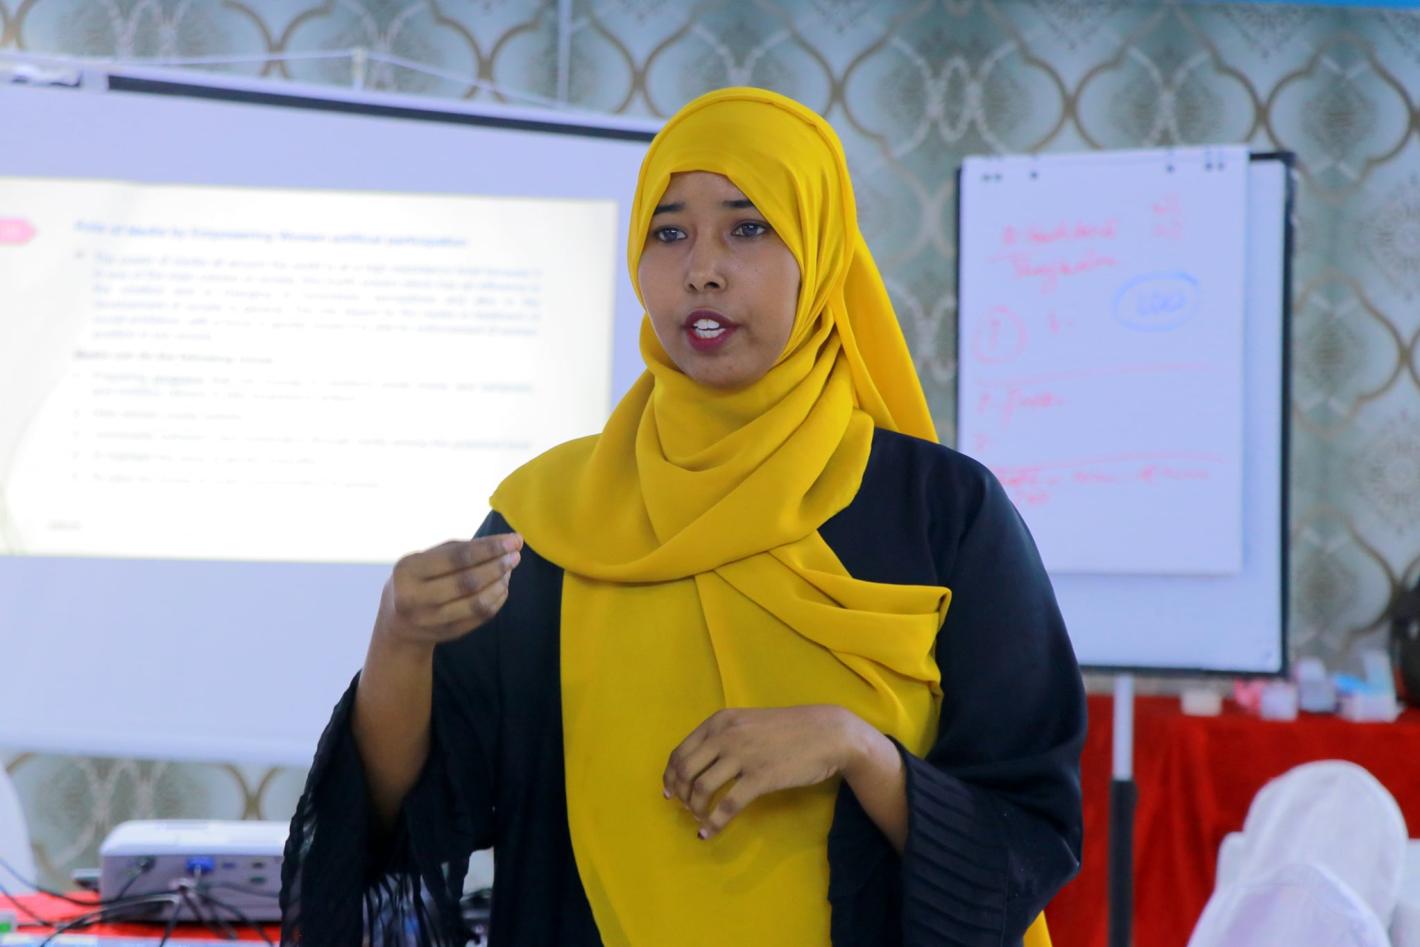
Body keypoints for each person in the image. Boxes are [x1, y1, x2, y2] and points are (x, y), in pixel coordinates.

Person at [279, 87, 1084, 947]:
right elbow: (408, 815)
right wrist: (399, 639)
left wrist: (854, 747)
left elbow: (1027, 827)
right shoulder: (553, 520)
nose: (702, 268)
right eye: (669, 233)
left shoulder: (942, 512)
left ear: (820, 254)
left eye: (748, 227)